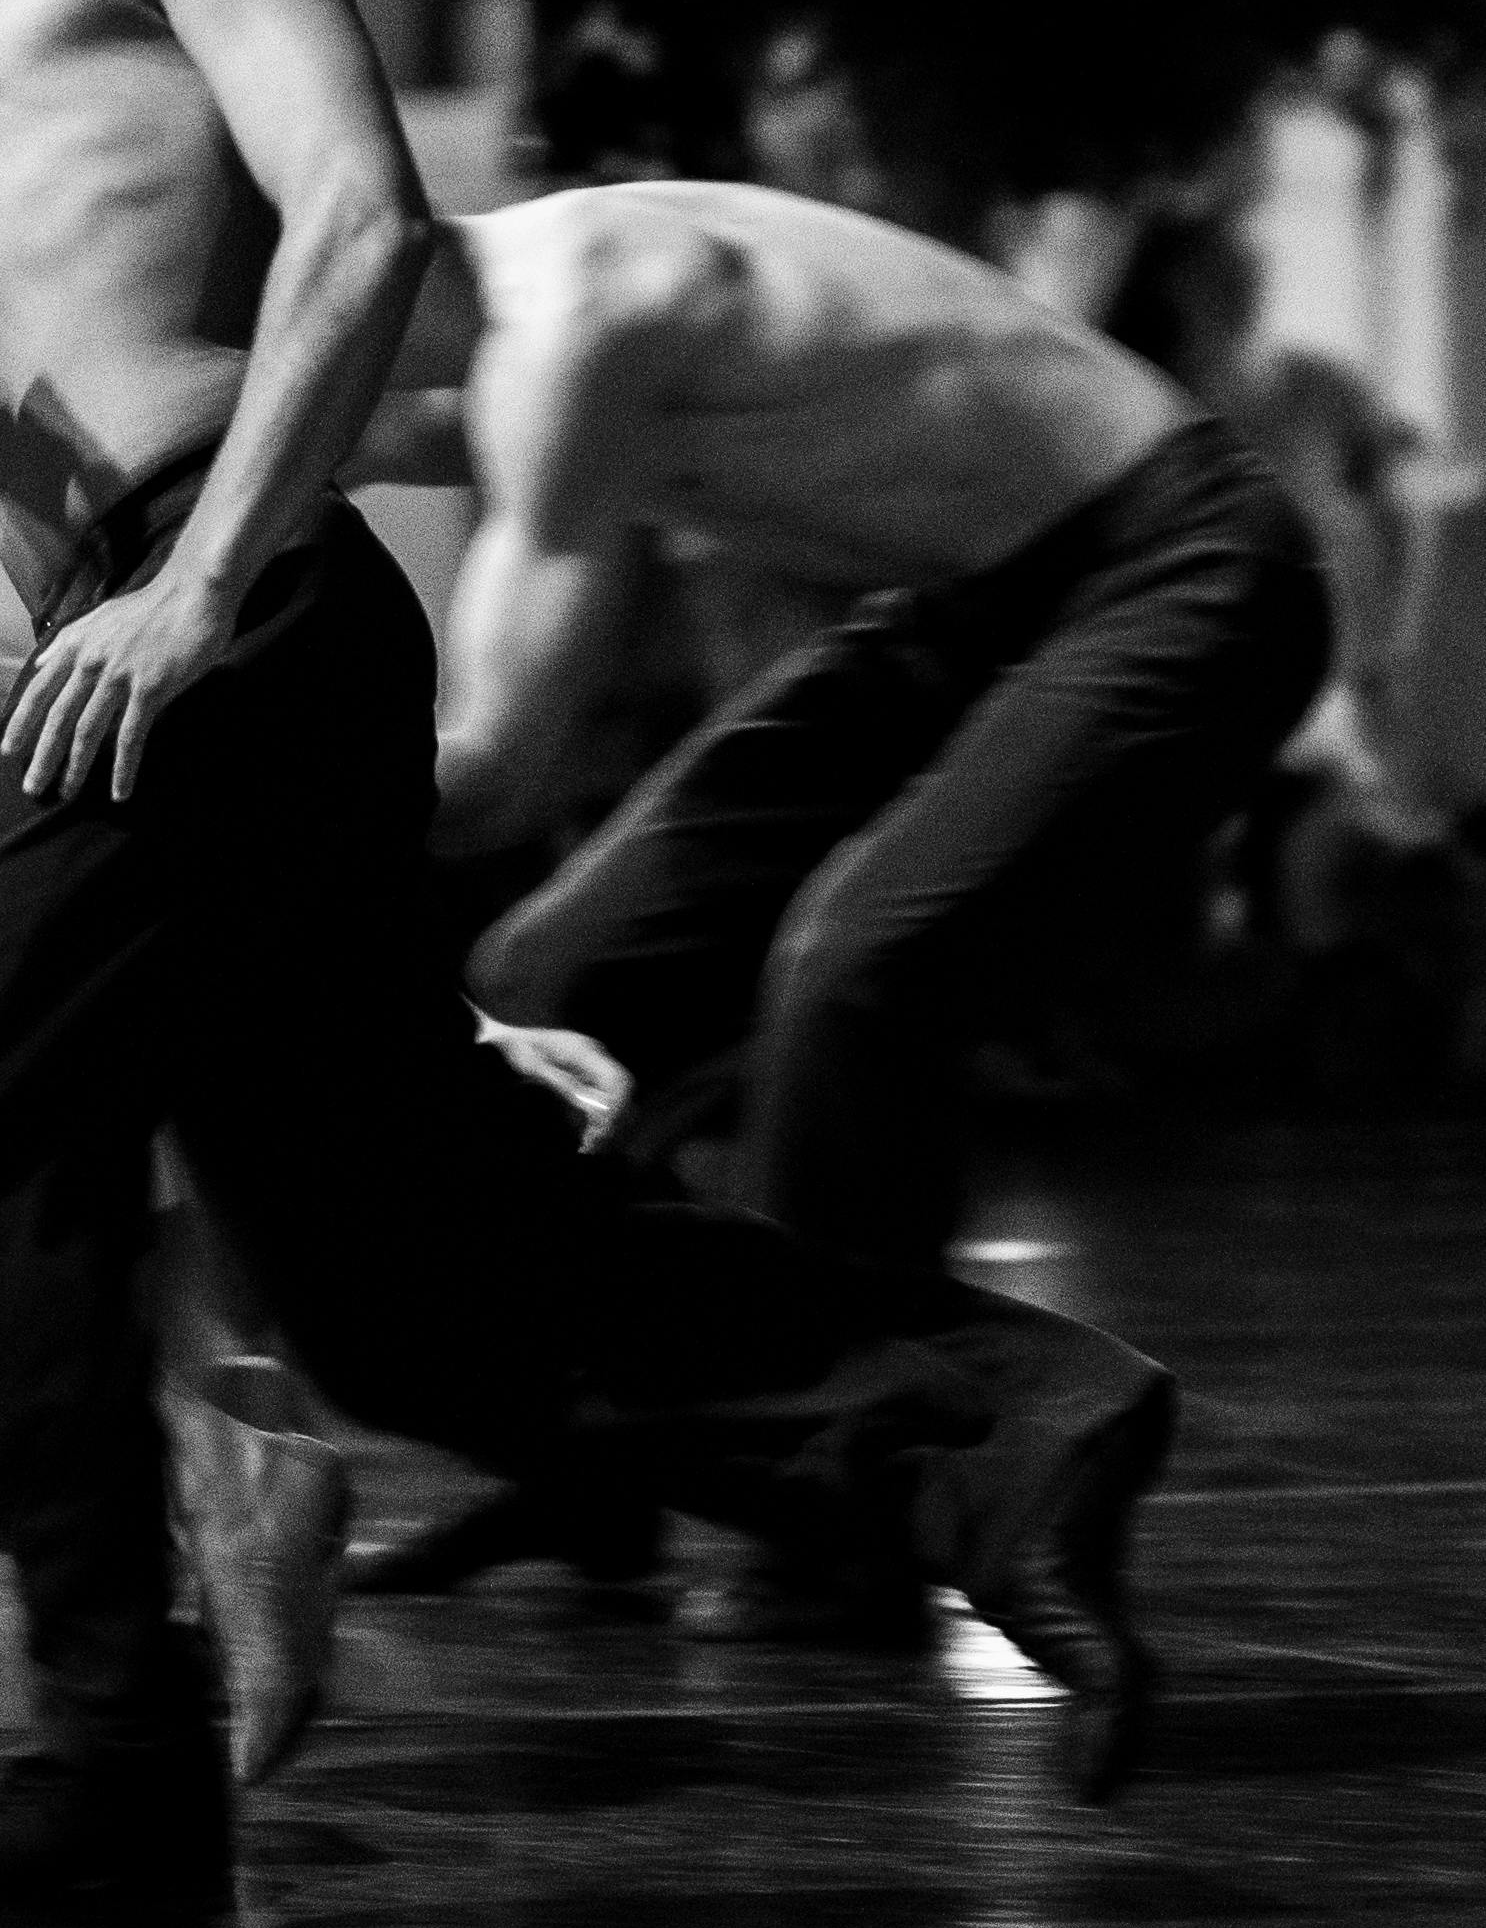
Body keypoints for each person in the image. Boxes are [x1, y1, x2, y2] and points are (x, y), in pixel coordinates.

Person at [0, 0, 1189, 1914]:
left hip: (209, 623)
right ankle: (1004, 1429)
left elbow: (360, 226)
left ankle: (116, 1748)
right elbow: (83, 313)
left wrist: (200, 580)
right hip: (220, 612)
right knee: (416, 1289)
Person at [343, 187, 1331, 1268]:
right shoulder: (491, 358)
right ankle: (627, 1369)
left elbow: (497, 771)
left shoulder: (583, 308)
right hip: (971, 609)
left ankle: (858, 1402)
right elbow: (345, 439)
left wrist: (224, 796)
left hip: (1186, 565)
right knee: (556, 978)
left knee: (857, 971)